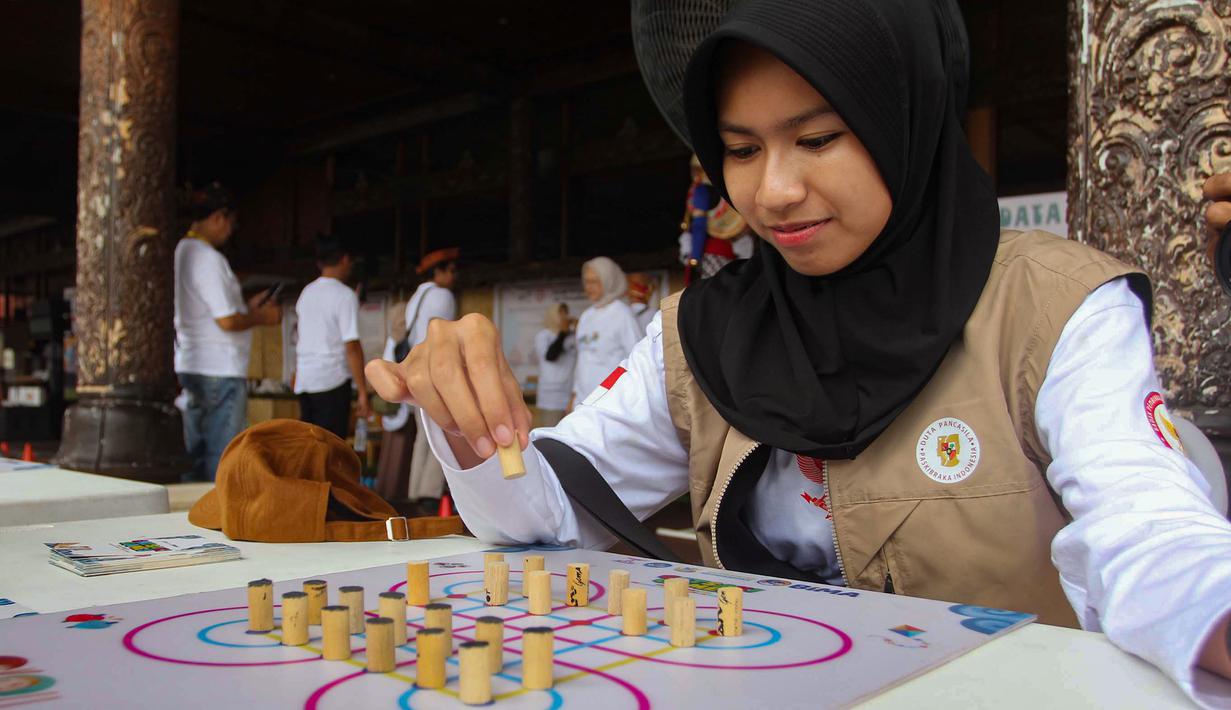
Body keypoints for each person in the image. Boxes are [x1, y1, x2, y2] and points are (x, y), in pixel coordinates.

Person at [367, 0, 1231, 702]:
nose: (772, 192)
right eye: (740, 150)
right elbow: (550, 514)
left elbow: (1148, 528)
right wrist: (477, 432)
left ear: (905, 120)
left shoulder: (1050, 306)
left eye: (818, 138)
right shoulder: (704, 331)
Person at [174, 183, 281, 482]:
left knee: (195, 450)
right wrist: (263, 315)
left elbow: (216, 312)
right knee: (222, 454)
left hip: (193, 362)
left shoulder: (182, 251)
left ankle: (193, 516)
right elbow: (227, 321)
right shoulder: (208, 258)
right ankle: (215, 516)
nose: (230, 231)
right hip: (218, 368)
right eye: (230, 223)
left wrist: (246, 306)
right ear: (219, 217)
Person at [293, 234, 371, 439]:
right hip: (332, 380)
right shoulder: (345, 296)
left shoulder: (306, 293)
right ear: (345, 259)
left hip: (305, 381)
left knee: (309, 445)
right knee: (331, 447)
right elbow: (352, 346)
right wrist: (362, 392)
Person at [402, 247, 460, 507]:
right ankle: (429, 492)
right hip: (433, 370)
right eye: (451, 270)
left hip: (413, 369)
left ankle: (415, 488)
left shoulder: (417, 296)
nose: (453, 276)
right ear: (438, 271)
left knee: (421, 434)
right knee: (439, 432)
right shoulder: (443, 296)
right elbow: (442, 339)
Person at [571, 257, 642, 408]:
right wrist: (574, 395)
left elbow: (637, 360)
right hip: (583, 403)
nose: (589, 287)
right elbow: (582, 359)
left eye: (595, 282)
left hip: (611, 404)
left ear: (609, 280)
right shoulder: (586, 316)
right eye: (586, 282)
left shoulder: (622, 314)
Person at [373, 299, 415, 502]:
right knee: (400, 453)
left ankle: (385, 490)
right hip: (401, 405)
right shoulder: (403, 342)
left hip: (391, 405)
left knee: (390, 452)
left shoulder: (391, 339)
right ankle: (395, 494)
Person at [533, 303, 577, 429]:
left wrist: (580, 328)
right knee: (551, 437)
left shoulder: (573, 336)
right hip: (550, 399)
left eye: (566, 312)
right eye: (560, 313)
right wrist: (562, 334)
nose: (564, 316)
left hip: (570, 397)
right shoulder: (544, 336)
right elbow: (550, 356)